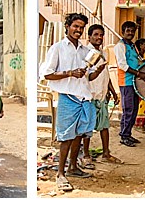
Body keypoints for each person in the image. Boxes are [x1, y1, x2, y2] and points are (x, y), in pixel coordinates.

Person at [39, 12, 102, 192]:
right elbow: (46, 74)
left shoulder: (85, 51)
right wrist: (69, 73)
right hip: (68, 97)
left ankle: (73, 167)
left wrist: (99, 70)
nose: (78, 30)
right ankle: (60, 174)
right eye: (75, 26)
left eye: (81, 27)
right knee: (66, 137)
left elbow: (88, 77)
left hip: (84, 97)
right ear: (67, 26)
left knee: (80, 135)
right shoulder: (57, 48)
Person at [81, 24, 122, 165]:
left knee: (105, 126)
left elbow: (106, 75)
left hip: (102, 95)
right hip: (90, 95)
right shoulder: (87, 53)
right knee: (87, 128)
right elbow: (87, 75)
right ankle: (85, 155)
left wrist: (112, 91)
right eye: (96, 35)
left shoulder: (104, 53)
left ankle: (106, 153)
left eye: (101, 35)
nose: (99, 37)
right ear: (89, 36)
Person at [113, 20, 145, 147]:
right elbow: (123, 65)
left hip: (135, 82)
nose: (130, 33)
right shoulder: (120, 46)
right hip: (126, 82)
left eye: (132, 31)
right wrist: (140, 74)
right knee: (128, 109)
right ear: (122, 32)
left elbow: (137, 61)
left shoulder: (132, 45)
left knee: (133, 110)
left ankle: (127, 134)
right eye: (127, 31)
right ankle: (124, 136)